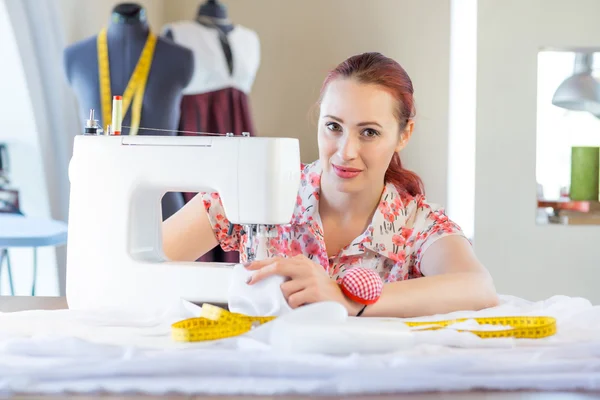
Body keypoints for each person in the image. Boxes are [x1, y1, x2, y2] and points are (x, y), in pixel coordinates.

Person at [162, 52, 499, 318]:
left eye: (369, 132)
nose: (345, 152)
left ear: (404, 134)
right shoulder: (258, 192)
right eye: (334, 127)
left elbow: (478, 287)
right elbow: (134, 270)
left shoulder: (416, 225)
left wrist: (349, 299)